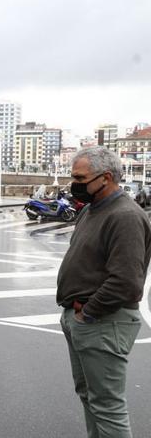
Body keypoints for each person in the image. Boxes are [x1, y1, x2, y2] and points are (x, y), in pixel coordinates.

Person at [57, 146, 151, 438]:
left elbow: (126, 280)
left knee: (107, 407)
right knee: (90, 397)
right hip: (83, 319)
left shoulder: (125, 216)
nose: (74, 183)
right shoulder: (92, 210)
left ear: (106, 177)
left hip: (102, 321)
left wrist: (89, 312)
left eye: (80, 177)